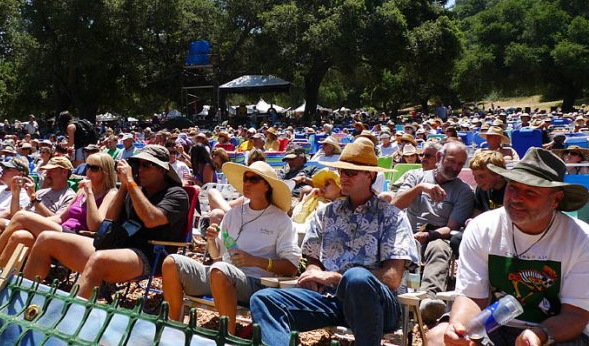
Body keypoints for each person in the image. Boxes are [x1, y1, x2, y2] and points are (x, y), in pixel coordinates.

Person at [250, 139, 417, 346]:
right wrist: (312, 274)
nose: (343, 177)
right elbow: (312, 258)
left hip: (378, 306)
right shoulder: (326, 214)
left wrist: (335, 277)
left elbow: (392, 278)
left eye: (351, 172)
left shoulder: (391, 217)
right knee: (264, 299)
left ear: (370, 175)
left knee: (357, 278)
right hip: (333, 300)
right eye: (342, 172)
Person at [429, 148, 589, 346]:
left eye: (530, 191)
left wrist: (540, 334)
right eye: (513, 187)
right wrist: (460, 329)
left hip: (553, 333)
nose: (516, 198)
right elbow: (471, 296)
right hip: (491, 326)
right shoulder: (482, 227)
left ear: (555, 199)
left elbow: (576, 314)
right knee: (438, 338)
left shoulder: (581, 239)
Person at [22, 145, 189, 299]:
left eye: (147, 165)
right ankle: (22, 298)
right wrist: (124, 187)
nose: (140, 170)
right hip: (116, 245)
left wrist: (131, 183)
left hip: (148, 255)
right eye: (138, 165)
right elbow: (109, 219)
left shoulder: (176, 194)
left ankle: (72, 314)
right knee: (46, 238)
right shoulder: (134, 190)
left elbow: (151, 219)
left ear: (162, 170)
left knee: (98, 260)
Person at [162, 161, 300, 336]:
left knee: (220, 270)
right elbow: (216, 254)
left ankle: (228, 336)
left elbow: (292, 267)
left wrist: (255, 261)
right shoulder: (233, 214)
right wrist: (211, 241)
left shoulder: (281, 220)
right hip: (221, 275)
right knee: (172, 262)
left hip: (257, 283)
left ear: (267, 186)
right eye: (245, 179)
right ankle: (174, 329)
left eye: (254, 179)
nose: (247, 183)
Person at [391, 141, 475, 323]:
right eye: (451, 161)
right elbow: (395, 205)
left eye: (460, 164)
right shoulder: (415, 176)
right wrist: (420, 188)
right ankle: (389, 298)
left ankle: (430, 299)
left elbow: (451, 226)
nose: (455, 168)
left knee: (438, 248)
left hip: (438, 236)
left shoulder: (463, 191)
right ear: (439, 158)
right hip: (407, 234)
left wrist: (429, 235)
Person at [0, 155, 114, 267]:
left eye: (94, 168)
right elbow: (61, 218)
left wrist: (89, 194)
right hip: (62, 230)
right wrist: (33, 223)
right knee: (21, 235)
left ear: (106, 172)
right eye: (87, 167)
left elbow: (95, 225)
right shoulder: (80, 191)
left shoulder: (110, 194)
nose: (89, 172)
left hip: (78, 237)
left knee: (22, 216)